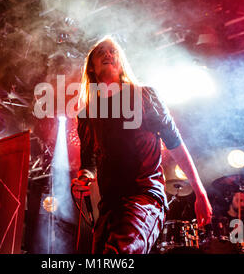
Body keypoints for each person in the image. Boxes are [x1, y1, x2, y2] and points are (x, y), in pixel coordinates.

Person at [71, 36, 212, 254]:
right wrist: (85, 177)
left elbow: (175, 143)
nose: (108, 54)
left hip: (144, 198)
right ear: (91, 67)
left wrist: (200, 192)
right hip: (108, 208)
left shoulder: (145, 96)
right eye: (102, 52)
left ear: (121, 62)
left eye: (113, 51)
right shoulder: (88, 114)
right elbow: (88, 162)